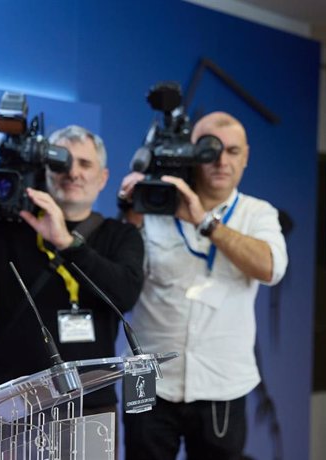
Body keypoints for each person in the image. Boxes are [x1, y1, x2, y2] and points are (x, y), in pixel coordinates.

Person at [117, 111, 288, 460]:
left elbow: (271, 268)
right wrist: (129, 216)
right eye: (210, 151)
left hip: (223, 379)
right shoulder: (153, 206)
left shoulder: (258, 214)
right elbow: (124, 278)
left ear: (246, 157)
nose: (221, 161)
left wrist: (204, 221)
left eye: (233, 151)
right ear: (189, 153)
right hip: (145, 373)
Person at [0, 124, 144, 416]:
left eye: (85, 163)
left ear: (103, 178)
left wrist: (66, 242)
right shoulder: (8, 231)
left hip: (90, 399)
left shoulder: (120, 235)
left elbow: (124, 296)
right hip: (11, 398)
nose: (73, 172)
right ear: (46, 171)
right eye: (61, 162)